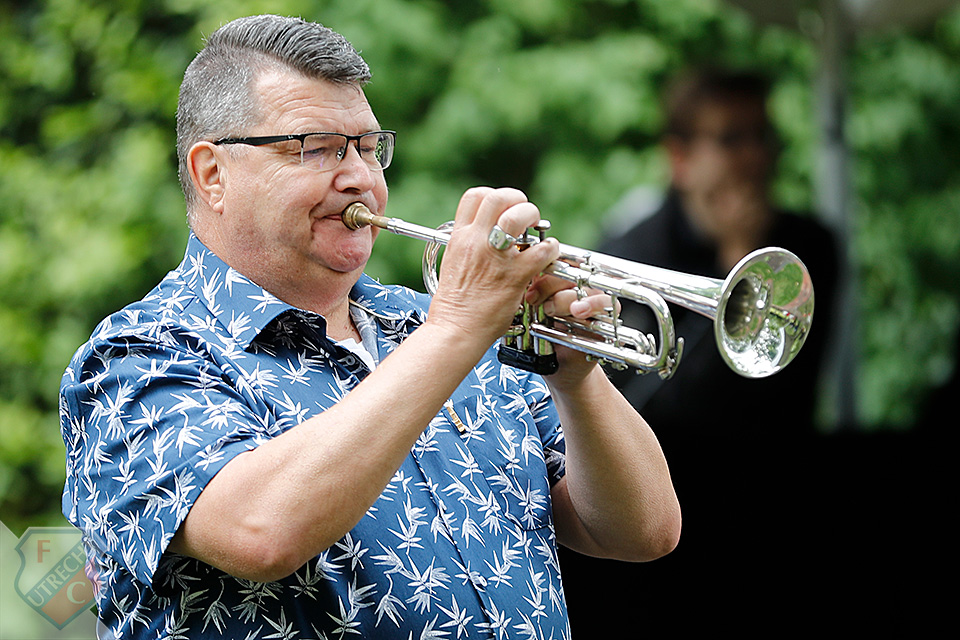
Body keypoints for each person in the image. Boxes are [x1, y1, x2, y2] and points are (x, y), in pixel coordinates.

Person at [58, 15, 681, 638]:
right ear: (212, 175)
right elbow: (261, 532)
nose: (359, 177)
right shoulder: (134, 358)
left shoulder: (429, 322)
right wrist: (458, 328)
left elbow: (643, 531)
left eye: (367, 147)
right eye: (316, 146)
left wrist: (575, 378)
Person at [597, 66, 839, 447]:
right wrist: (734, 260)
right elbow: (652, 410)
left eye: (762, 136)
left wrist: (749, 267)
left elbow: (789, 393)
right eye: (732, 139)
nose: (756, 156)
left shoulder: (809, 247)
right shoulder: (630, 257)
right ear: (680, 159)